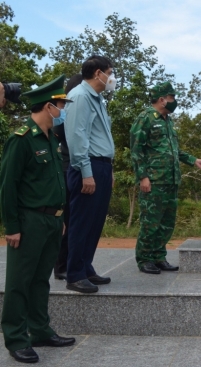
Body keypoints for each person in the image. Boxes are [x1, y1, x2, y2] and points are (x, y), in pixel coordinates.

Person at [0, 75, 76, 364]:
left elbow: (54, 183)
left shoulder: (51, 139)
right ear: (48, 106)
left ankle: (40, 330)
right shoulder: (20, 140)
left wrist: (60, 217)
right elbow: (8, 186)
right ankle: (17, 338)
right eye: (61, 105)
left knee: (41, 281)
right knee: (20, 281)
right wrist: (12, 227)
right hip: (29, 221)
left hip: (52, 221)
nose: (63, 111)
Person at [130, 81, 201, 274]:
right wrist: (143, 177)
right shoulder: (145, 118)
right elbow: (136, 150)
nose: (174, 101)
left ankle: (159, 257)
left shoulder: (167, 121)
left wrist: (194, 160)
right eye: (172, 98)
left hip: (171, 181)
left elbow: (174, 150)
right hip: (154, 181)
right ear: (162, 99)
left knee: (166, 223)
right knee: (151, 223)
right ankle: (144, 259)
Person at [64, 55, 116, 293]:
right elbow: (77, 138)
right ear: (98, 73)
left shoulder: (97, 99)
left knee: (94, 222)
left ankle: (86, 268)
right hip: (88, 166)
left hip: (101, 166)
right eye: (109, 71)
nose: (111, 77)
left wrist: (109, 169)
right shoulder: (80, 97)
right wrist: (86, 172)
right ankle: (74, 273)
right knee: (82, 221)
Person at [53, 74, 83, 281]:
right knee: (68, 220)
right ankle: (61, 265)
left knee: (78, 221)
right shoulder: (63, 114)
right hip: (67, 168)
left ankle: (75, 263)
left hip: (79, 168)